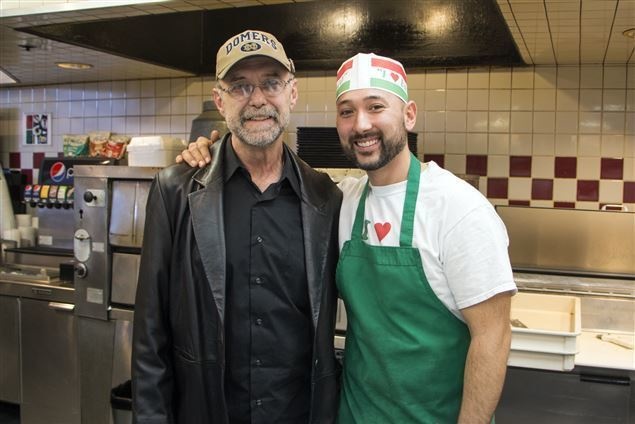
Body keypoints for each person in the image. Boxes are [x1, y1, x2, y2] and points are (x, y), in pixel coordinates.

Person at [179, 53, 517, 423]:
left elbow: (492, 339)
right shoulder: (342, 200)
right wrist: (213, 152)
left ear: (409, 115)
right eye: (346, 111)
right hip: (352, 415)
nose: (362, 125)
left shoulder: (460, 209)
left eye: (376, 107)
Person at [132, 29, 343, 424]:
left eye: (271, 83)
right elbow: (150, 334)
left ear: (292, 93)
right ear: (220, 100)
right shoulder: (175, 191)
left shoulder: (325, 198)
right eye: (240, 86)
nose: (258, 99)